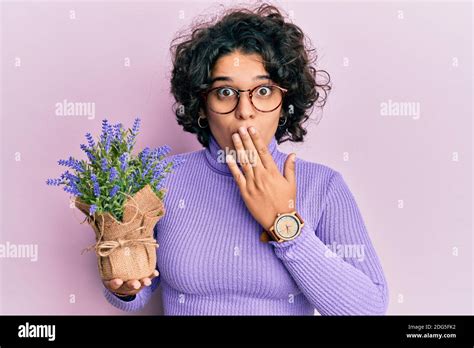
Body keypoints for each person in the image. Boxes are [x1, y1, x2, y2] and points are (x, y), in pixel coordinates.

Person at [102, 3, 389, 315]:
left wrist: (284, 223)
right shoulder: (161, 179)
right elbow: (139, 288)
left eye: (263, 91)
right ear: (201, 105)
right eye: (225, 92)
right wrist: (126, 287)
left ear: (285, 102)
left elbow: (368, 310)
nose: (245, 110)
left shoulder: (323, 186)